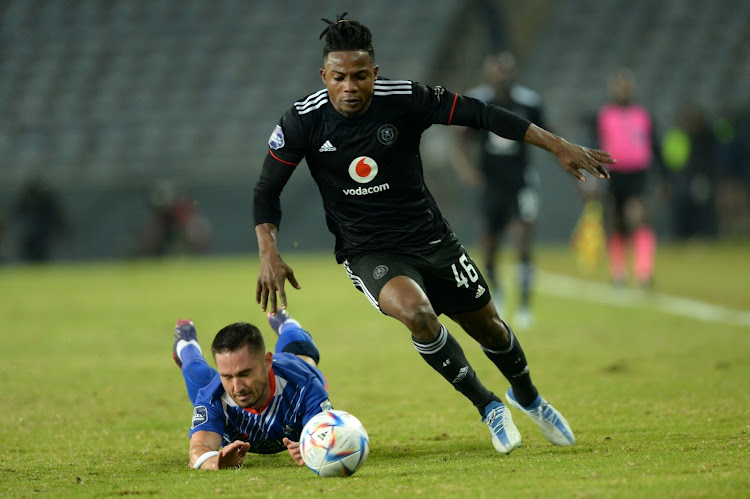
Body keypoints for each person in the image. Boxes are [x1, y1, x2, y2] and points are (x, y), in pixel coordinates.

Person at [254, 13, 614, 455]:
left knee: (492, 331)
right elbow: (267, 190)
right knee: (418, 314)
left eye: (360, 76)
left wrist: (558, 145)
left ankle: (528, 396)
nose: (350, 87)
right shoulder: (302, 121)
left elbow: (481, 115)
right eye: (339, 77)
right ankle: (487, 406)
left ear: (375, 73)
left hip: (431, 238)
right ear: (323, 75)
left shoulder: (405, 98)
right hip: (368, 250)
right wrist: (268, 251)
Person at [452, 51, 545, 327]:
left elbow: (545, 133)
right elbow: (461, 140)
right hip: (491, 184)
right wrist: (466, 169)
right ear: (488, 73)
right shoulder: (479, 101)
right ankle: (500, 293)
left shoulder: (528, 103)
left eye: (506, 70)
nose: (501, 75)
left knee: (521, 241)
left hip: (520, 181)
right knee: (489, 247)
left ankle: (526, 306)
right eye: (497, 70)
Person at [172, 310, 331, 470]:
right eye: (227, 376)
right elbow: (198, 450)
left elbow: (328, 436)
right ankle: (186, 343)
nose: (237, 387)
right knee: (196, 372)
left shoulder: (304, 385)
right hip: (212, 389)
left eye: (245, 374)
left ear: (267, 361)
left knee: (304, 355)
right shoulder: (212, 397)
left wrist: (313, 447)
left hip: (293, 366)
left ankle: (285, 322)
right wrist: (216, 463)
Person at [596, 68, 661, 287]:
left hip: (637, 173)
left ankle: (643, 273)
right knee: (616, 223)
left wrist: (663, 176)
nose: (623, 89)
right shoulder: (604, 116)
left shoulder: (643, 115)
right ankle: (619, 273)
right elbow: (595, 146)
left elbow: (655, 145)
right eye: (619, 85)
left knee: (638, 218)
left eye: (626, 85)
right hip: (613, 173)